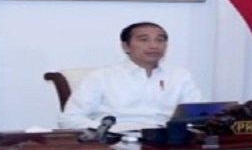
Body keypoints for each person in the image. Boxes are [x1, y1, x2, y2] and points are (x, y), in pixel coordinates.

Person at [59, 22, 202, 132]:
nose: (154, 45)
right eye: (144, 40)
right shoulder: (102, 76)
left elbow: (198, 115)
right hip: (116, 141)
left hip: (167, 141)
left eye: (160, 40)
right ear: (126, 46)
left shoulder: (179, 75)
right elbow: (70, 120)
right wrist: (115, 129)